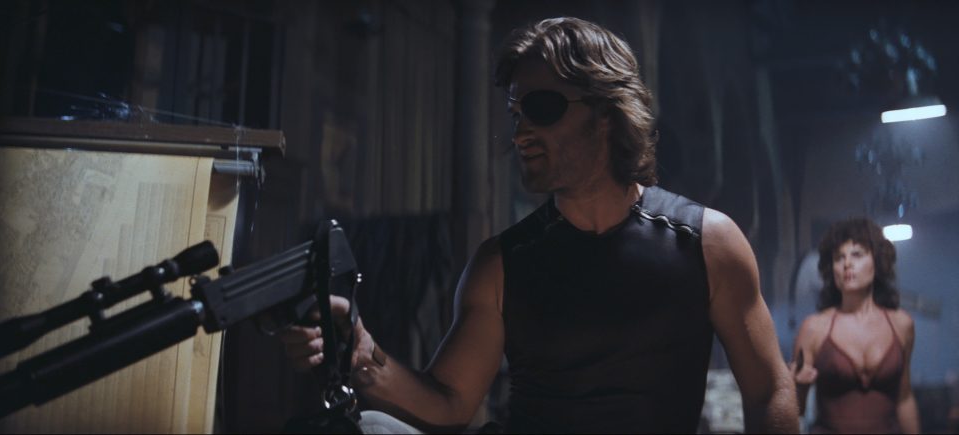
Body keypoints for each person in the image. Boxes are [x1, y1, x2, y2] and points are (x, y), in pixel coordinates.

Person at [279, 17, 797, 433]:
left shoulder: (707, 243)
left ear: (606, 113)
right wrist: (363, 355)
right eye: (515, 114)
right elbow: (451, 401)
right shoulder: (501, 265)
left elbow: (769, 389)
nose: (520, 132)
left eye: (541, 108)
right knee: (368, 426)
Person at [790, 218, 919, 434]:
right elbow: (796, 410)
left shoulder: (901, 324)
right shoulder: (814, 328)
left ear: (876, 261)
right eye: (839, 257)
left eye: (857, 254)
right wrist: (800, 387)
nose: (847, 263)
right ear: (831, 268)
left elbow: (904, 398)